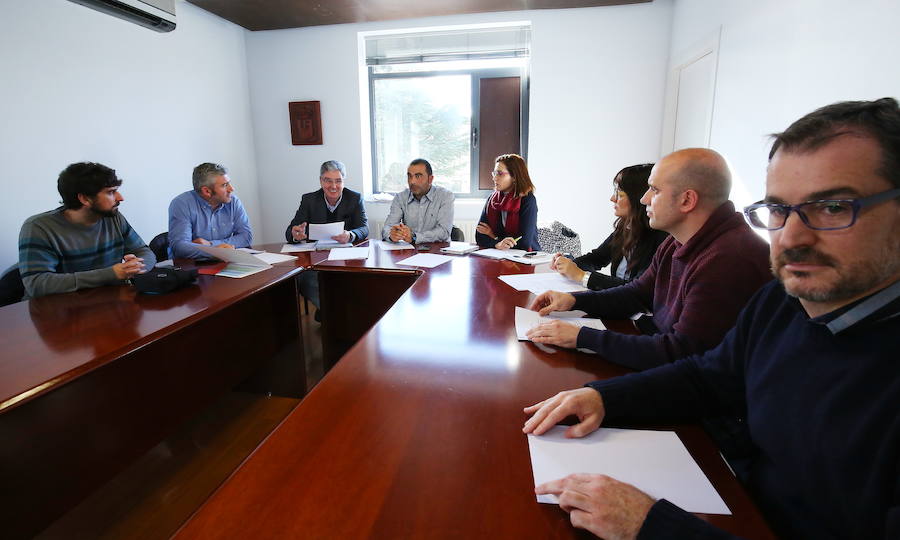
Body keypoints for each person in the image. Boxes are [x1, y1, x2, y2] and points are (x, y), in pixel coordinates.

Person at [523, 98, 900, 540]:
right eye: (778, 210)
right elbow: (709, 375)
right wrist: (604, 397)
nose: (792, 237)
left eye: (834, 207)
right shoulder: (780, 301)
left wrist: (649, 525)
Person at [527, 148, 770, 370]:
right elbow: (636, 294)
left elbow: (681, 353)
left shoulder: (728, 259)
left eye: (654, 189)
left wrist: (582, 337)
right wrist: (573, 300)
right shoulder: (679, 240)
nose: (643, 199)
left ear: (687, 200)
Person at [18, 162, 155, 299]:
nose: (120, 198)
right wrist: (110, 274)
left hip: (106, 302)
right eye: (111, 192)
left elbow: (144, 251)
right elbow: (37, 284)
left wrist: (136, 266)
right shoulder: (39, 227)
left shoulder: (113, 217)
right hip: (57, 311)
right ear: (84, 198)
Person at [551, 163, 668, 290]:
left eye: (620, 194)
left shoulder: (661, 238)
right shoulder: (626, 227)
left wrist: (582, 276)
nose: (612, 198)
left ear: (638, 198)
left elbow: (637, 290)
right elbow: (597, 258)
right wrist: (568, 263)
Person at [284, 160, 368, 314]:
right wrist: (296, 234)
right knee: (305, 280)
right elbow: (291, 230)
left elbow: (364, 228)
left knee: (354, 282)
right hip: (317, 258)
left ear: (344, 181)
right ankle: (333, 315)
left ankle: (332, 315)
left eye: (338, 181)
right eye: (328, 181)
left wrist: (350, 235)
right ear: (321, 181)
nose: (333, 186)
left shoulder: (354, 198)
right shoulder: (309, 200)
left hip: (346, 258)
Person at [168, 162, 252, 259]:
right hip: (189, 267)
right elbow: (180, 247)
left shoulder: (233, 202)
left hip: (224, 263)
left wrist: (211, 245)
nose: (231, 189)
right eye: (225, 185)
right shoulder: (182, 204)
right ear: (207, 191)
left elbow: (246, 237)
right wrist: (217, 251)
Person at [475, 154, 541, 251]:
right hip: (499, 254)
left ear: (514, 176)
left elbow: (524, 242)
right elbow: (479, 237)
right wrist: (498, 243)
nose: (494, 178)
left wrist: (493, 237)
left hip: (526, 256)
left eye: (500, 173)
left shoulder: (527, 200)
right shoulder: (492, 199)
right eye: (494, 173)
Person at [382, 158, 454, 244]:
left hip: (437, 251)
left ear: (430, 179)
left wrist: (415, 237)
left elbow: (444, 231)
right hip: (410, 251)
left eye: (418, 176)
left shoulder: (445, 196)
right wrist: (392, 235)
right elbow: (387, 227)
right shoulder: (400, 197)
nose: (412, 181)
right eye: (409, 176)